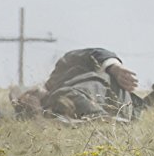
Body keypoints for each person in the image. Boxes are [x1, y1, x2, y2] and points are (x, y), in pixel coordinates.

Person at [12, 48, 142, 122]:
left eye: (29, 92)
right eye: (25, 98)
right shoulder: (55, 110)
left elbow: (94, 53)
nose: (29, 95)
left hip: (125, 100)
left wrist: (115, 68)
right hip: (122, 114)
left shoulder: (64, 67)